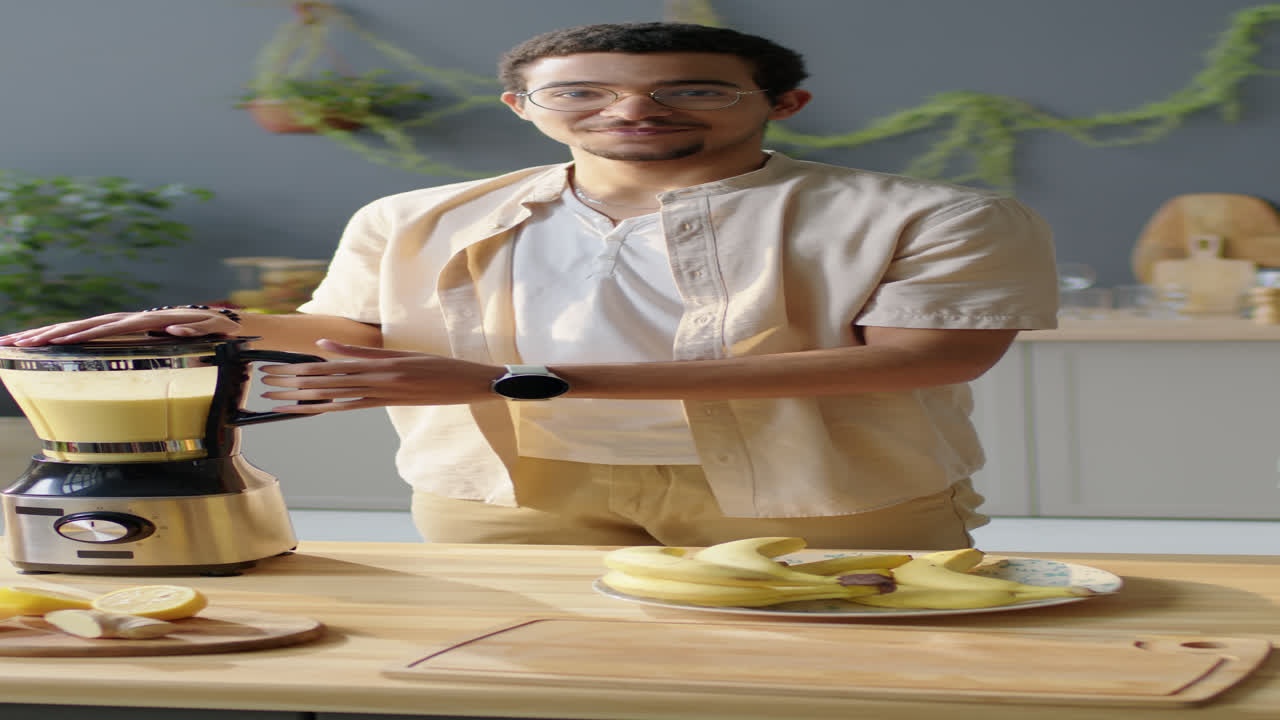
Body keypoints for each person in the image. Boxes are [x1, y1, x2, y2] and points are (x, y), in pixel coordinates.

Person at [0, 22, 1057, 550]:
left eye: (694, 90)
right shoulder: (410, 215)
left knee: (839, 684)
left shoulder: (936, 214)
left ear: (782, 102)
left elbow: (926, 361)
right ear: (523, 107)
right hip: (509, 494)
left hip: (826, 493)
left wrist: (515, 378)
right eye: (580, 94)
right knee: (516, 670)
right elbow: (351, 327)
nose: (631, 112)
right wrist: (219, 321)